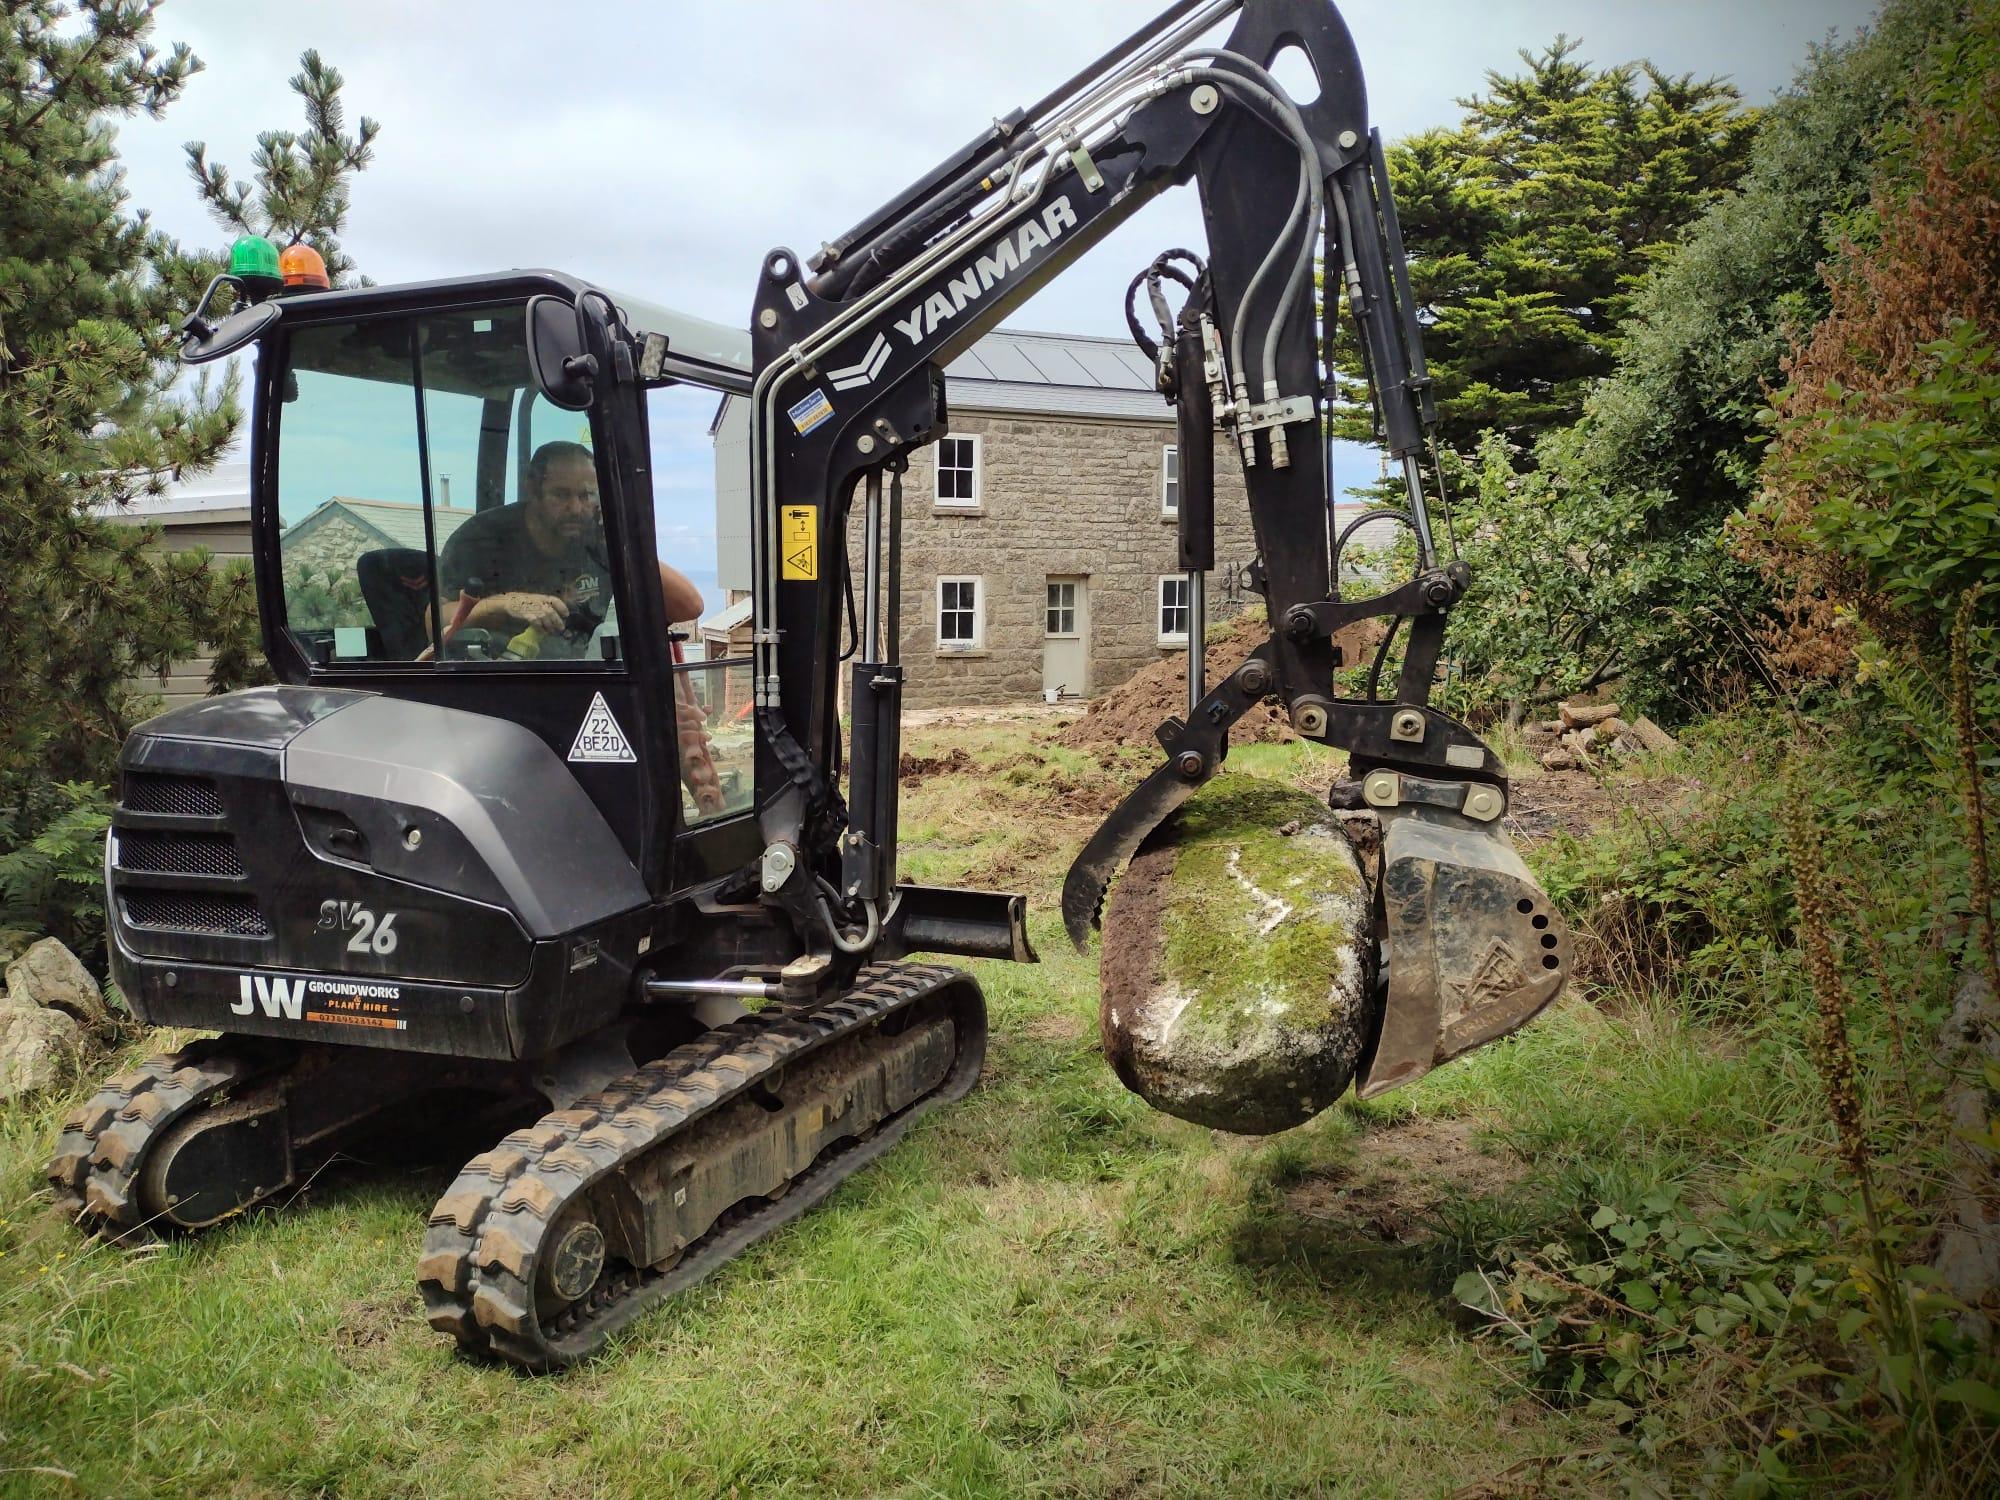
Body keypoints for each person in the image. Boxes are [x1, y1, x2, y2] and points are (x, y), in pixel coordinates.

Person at [436, 439, 704, 652]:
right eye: (561, 495)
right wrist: (507, 603)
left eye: (585, 495)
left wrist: (620, 538)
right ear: (532, 489)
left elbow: (688, 606)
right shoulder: (482, 539)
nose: (576, 508)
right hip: (500, 684)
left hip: (598, 680)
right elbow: (434, 621)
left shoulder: (598, 539)